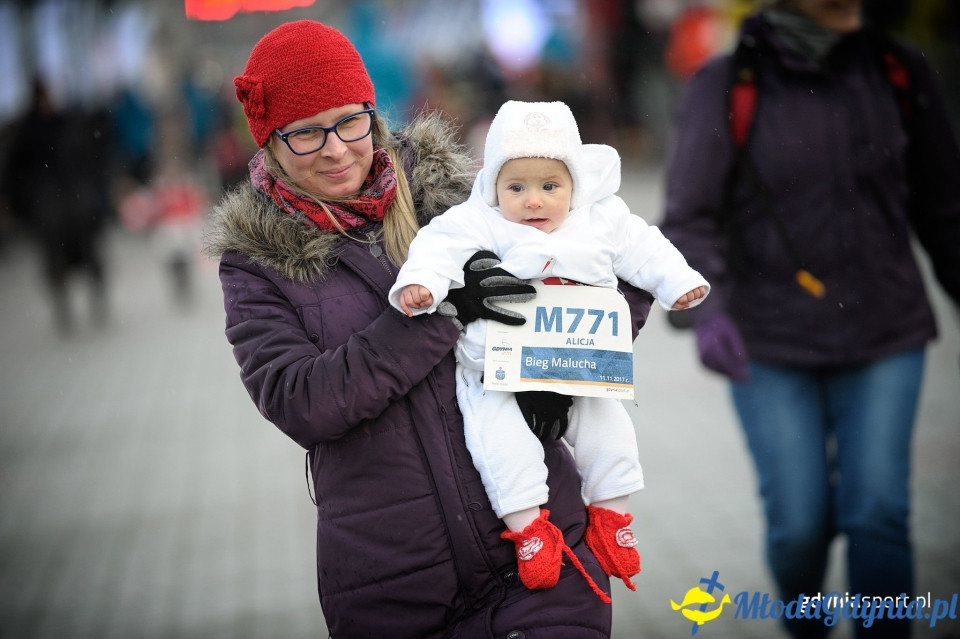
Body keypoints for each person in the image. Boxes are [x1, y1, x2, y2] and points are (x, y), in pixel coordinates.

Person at [202, 20, 655, 638]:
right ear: (269, 142)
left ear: (372, 114)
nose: (336, 148)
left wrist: (557, 371)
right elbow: (301, 400)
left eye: (349, 121)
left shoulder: (456, 199)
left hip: (542, 544)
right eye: (306, 133)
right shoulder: (257, 263)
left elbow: (614, 264)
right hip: (393, 587)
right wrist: (438, 317)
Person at [660, 1, 960, 637]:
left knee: (877, 511)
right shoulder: (726, 84)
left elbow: (945, 208)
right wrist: (706, 312)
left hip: (886, 332)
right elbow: (688, 218)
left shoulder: (899, 72)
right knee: (799, 527)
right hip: (767, 341)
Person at [390, 100, 708, 596]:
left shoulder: (601, 217)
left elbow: (646, 247)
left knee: (611, 431)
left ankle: (612, 513)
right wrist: (424, 285)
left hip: (580, 360)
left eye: (549, 186)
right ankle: (528, 529)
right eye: (516, 187)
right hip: (497, 368)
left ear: (575, 185)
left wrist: (678, 282)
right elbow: (438, 245)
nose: (533, 201)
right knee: (498, 444)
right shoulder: (482, 220)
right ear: (494, 185)